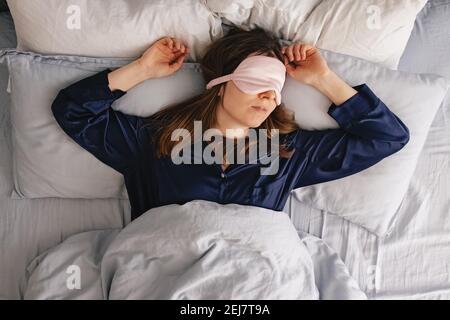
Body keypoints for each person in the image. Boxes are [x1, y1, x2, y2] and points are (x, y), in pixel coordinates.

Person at [51, 27, 410, 221]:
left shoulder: (291, 152)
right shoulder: (153, 141)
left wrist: (324, 80)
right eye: (257, 83)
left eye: (276, 89)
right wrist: (142, 70)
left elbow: (388, 137)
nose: (269, 97)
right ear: (219, 85)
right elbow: (73, 110)